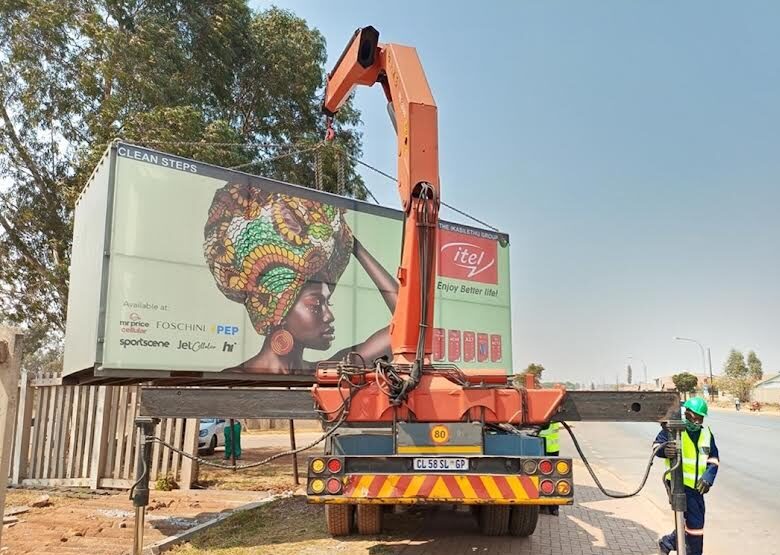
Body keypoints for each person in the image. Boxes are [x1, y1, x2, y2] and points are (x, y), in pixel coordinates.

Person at [204, 183, 398, 374]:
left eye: (327, 303)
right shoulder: (236, 380)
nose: (329, 316)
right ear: (279, 312)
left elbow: (411, 327)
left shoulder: (328, 371)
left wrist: (352, 245)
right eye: (315, 304)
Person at [654, 397, 719, 555]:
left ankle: (668, 542)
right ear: (686, 413)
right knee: (694, 524)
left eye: (700, 418)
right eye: (693, 417)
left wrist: (708, 477)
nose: (696, 422)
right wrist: (665, 450)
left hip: (697, 486)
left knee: (691, 523)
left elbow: (713, 459)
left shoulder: (706, 433)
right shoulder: (674, 430)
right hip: (677, 483)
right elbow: (656, 445)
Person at [538, 422, 560, 515]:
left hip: (541, 446)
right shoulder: (552, 411)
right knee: (551, 477)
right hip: (551, 448)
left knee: (542, 476)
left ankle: (547, 505)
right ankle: (552, 507)